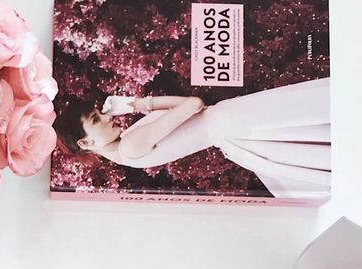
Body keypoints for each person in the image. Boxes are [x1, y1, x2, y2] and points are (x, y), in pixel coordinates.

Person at [56, 78, 331, 200]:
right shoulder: (129, 146)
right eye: (96, 120)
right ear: (86, 143)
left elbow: (189, 107)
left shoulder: (127, 146)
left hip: (229, 129)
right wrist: (135, 104)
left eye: (98, 114)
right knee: (306, 117)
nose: (106, 118)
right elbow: (193, 104)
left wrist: (138, 105)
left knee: (304, 128)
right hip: (230, 124)